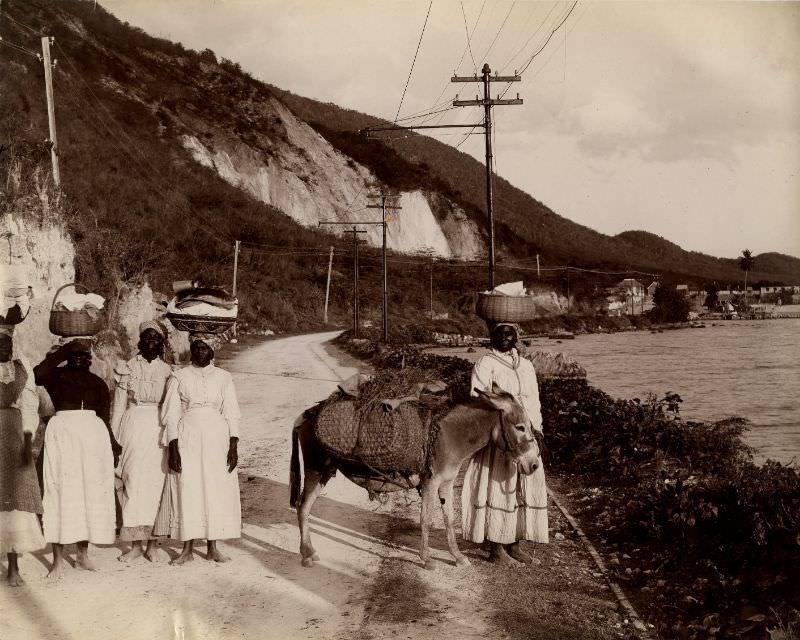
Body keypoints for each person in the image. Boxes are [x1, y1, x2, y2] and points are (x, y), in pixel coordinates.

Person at [461, 322, 549, 565]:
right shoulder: (486, 363)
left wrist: (537, 428)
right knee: (497, 486)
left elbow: (534, 400)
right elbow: (476, 396)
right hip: (500, 435)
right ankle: (496, 548)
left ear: (516, 337)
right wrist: (504, 411)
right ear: (492, 337)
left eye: (509, 334)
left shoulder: (526, 365)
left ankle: (515, 543)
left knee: (522, 486)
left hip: (525, 433)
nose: (504, 338)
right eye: (499, 334)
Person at [33, 338, 121, 579]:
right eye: (75, 355)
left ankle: (82, 555)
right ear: (68, 357)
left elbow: (104, 416)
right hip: (63, 438)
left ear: (91, 360)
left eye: (84, 355)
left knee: (88, 493)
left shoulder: (98, 383)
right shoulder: (56, 377)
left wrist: (112, 445)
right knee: (60, 493)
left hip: (93, 441)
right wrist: (63, 351)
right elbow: (37, 373)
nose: (80, 359)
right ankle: (58, 560)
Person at [155, 332, 241, 564]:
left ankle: (213, 547)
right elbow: (171, 413)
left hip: (217, 437)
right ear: (191, 350)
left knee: (214, 487)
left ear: (212, 351)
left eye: (205, 348)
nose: (200, 352)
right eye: (196, 348)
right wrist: (173, 445)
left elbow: (231, 411)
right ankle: (187, 549)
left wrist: (233, 443)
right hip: (188, 436)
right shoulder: (179, 376)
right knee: (188, 487)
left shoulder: (224, 377)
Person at [110, 321, 172, 562]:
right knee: (132, 480)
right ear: (139, 341)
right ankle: (135, 544)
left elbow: (173, 408)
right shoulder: (127, 368)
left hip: (158, 427)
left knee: (157, 481)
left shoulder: (169, 371)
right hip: (133, 425)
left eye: (156, 338)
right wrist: (114, 439)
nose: (151, 342)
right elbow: (118, 406)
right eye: (147, 337)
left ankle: (153, 544)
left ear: (162, 344)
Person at [0, 326, 45, 585]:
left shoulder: (21, 368)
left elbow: (30, 407)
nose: (3, 346)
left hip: (15, 435)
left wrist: (27, 442)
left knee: (16, 497)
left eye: (7, 341)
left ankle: (13, 566)